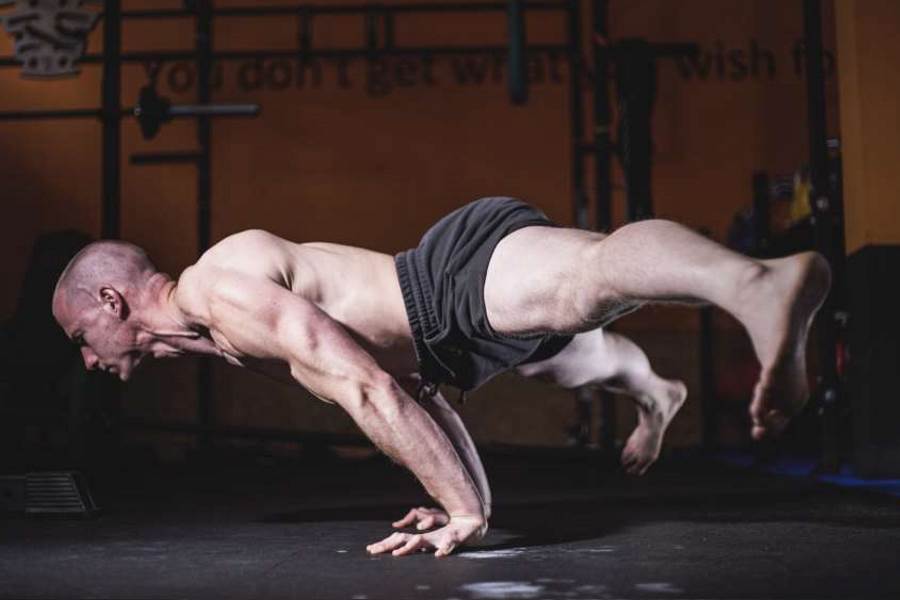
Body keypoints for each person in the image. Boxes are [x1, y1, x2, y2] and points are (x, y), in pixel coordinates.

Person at [51, 197, 830, 557]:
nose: (86, 357)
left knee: (588, 281)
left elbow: (371, 389)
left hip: (443, 286)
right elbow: (411, 390)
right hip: (447, 346)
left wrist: (466, 509)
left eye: (80, 334)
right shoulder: (216, 340)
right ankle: (658, 394)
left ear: (112, 300)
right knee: (576, 357)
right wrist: (467, 504)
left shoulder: (217, 293)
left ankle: (750, 282)